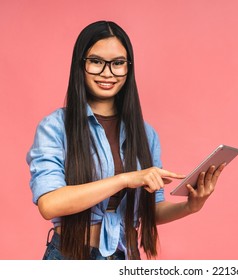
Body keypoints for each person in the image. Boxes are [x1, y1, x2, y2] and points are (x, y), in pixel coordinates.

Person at [26, 20, 226, 260]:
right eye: (97, 62)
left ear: (128, 68)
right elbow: (50, 204)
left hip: (126, 258)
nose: (107, 73)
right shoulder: (55, 127)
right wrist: (124, 179)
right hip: (70, 257)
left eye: (118, 63)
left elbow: (151, 210)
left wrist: (190, 206)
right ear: (81, 65)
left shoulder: (145, 133)